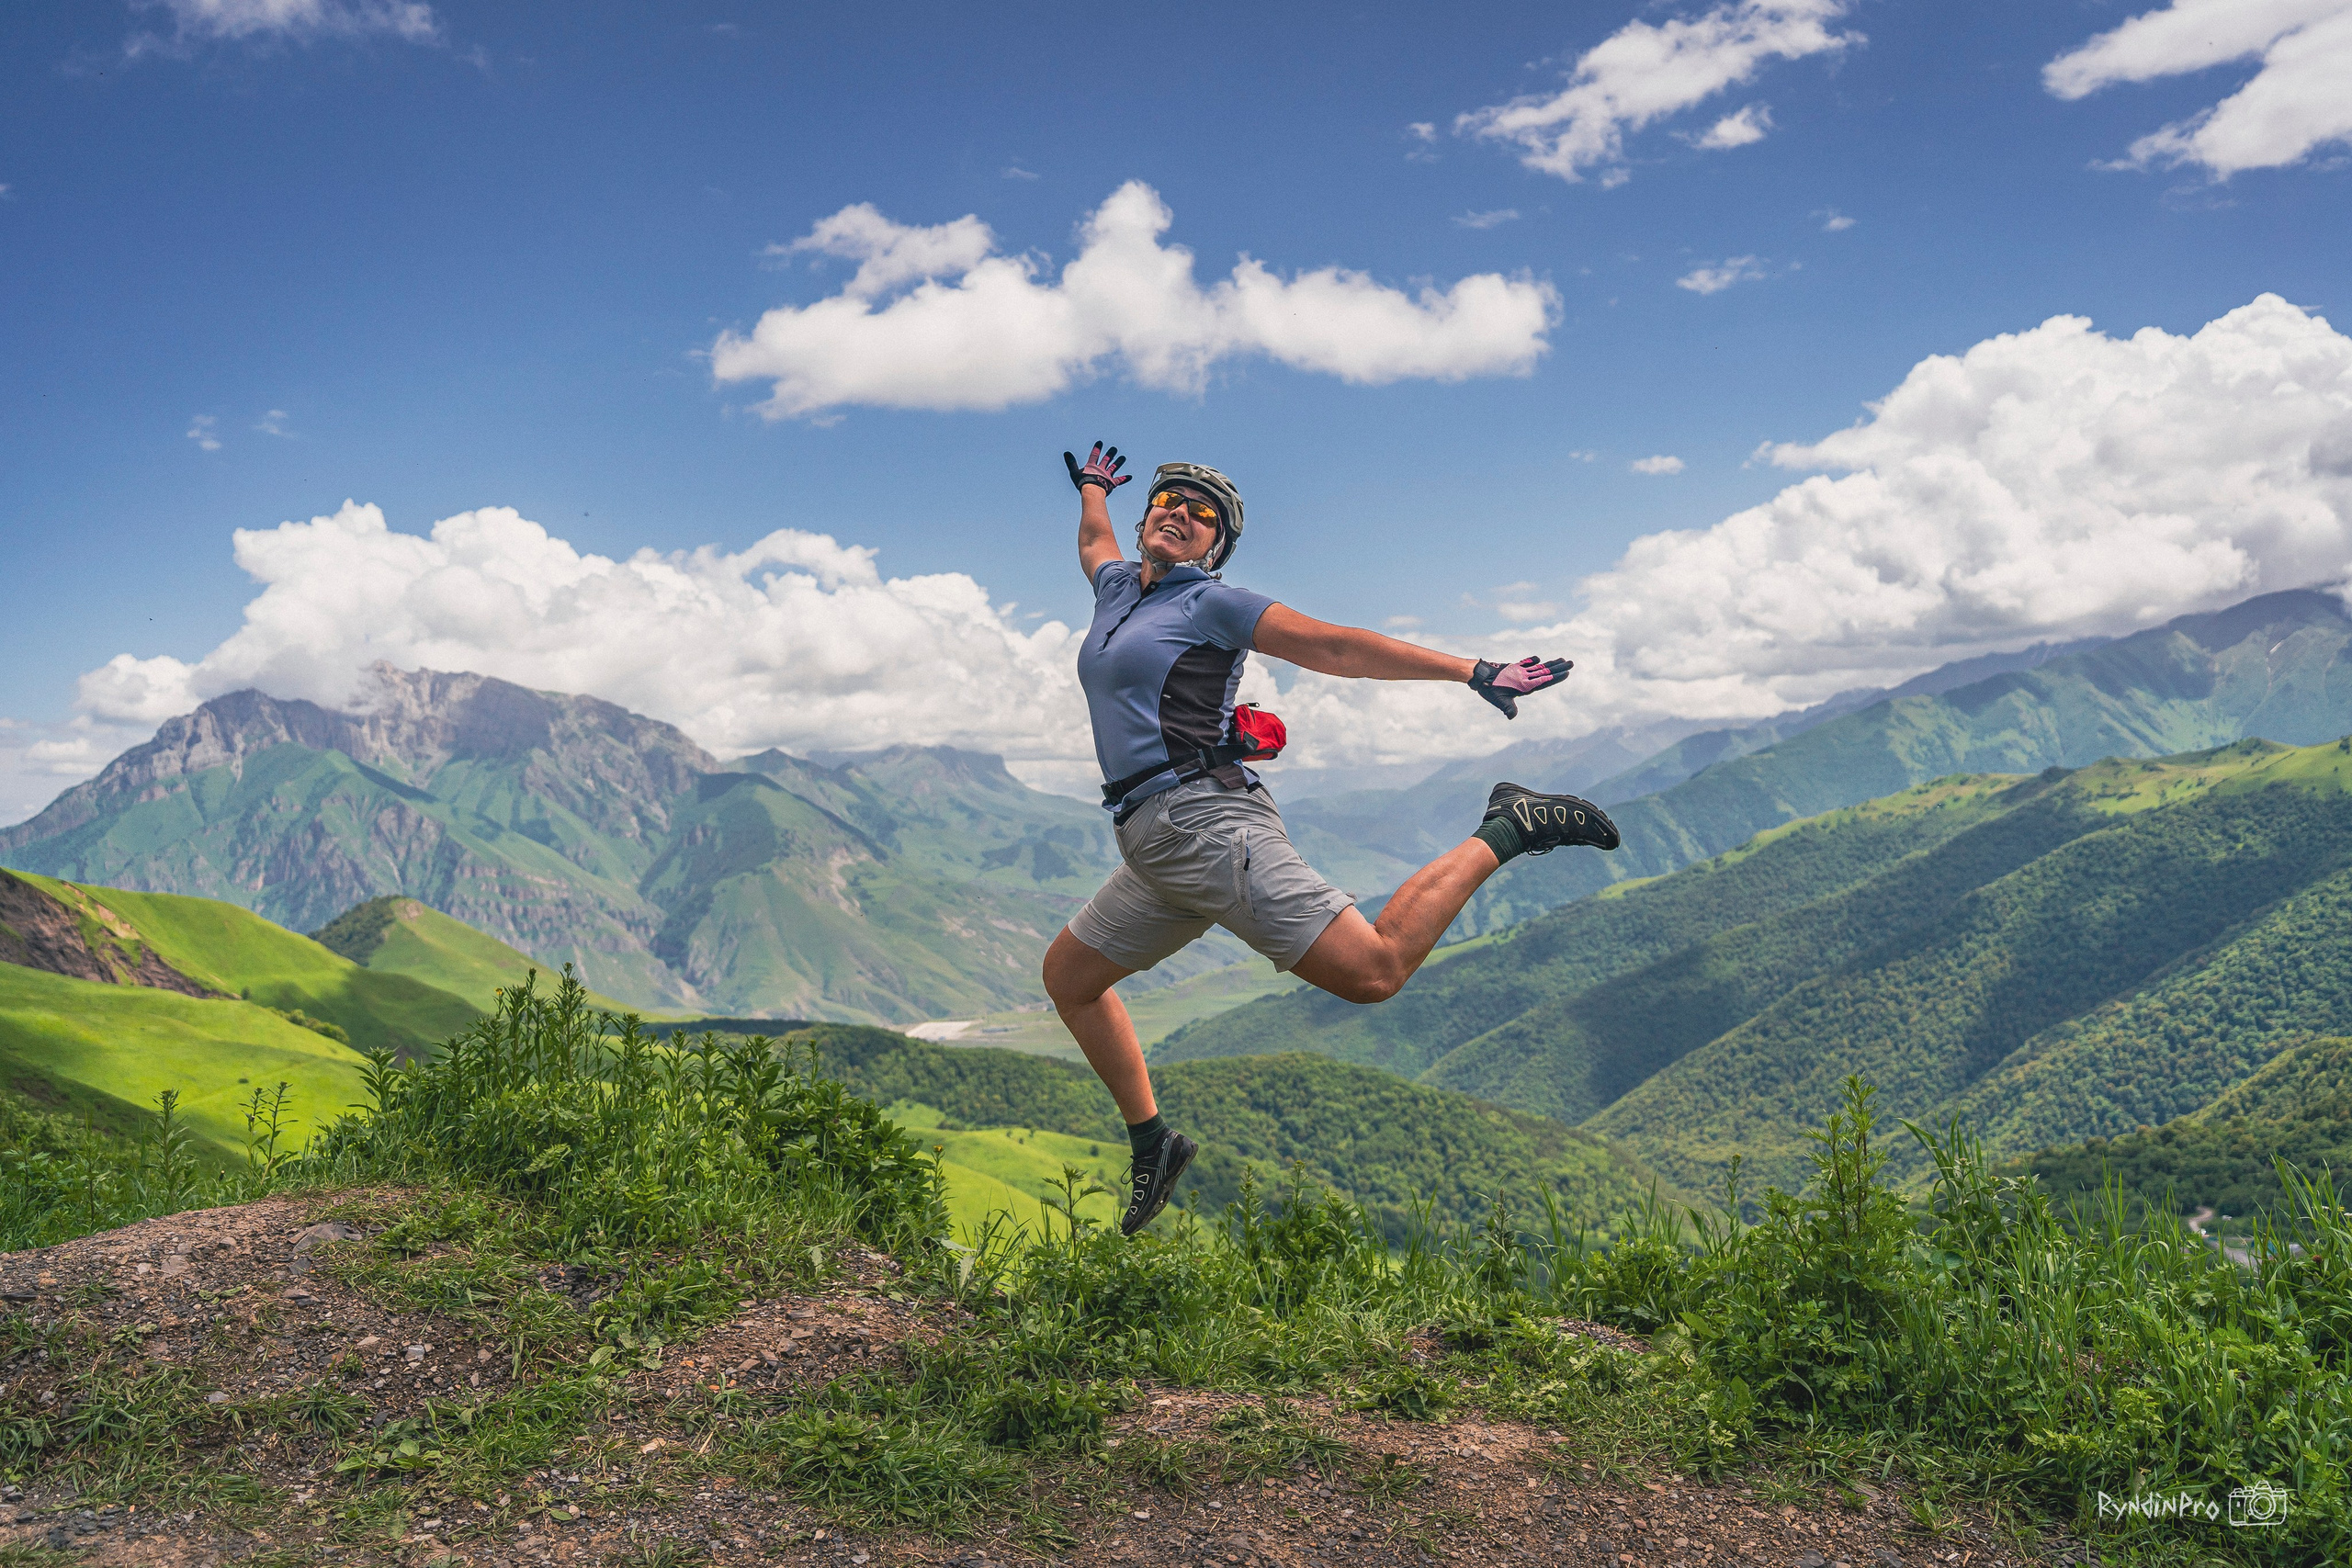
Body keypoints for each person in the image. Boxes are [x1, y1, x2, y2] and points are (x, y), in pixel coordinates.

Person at [1046, 442, 1621, 1236]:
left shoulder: (1210, 605)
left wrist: (1473, 670)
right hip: (1151, 841)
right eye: (1169, 499)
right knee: (1071, 977)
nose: (1181, 511)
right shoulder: (1115, 589)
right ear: (1147, 513)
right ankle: (1154, 1142)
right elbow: (1092, 543)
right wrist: (1092, 490)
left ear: (1216, 548)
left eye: (1203, 514)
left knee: (1374, 970)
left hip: (1207, 826)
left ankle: (1514, 824)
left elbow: (1336, 646)